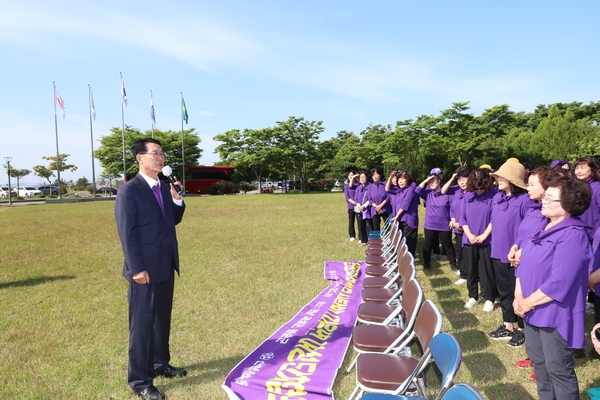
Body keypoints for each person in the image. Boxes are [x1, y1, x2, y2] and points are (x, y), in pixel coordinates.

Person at [115, 138, 187, 400]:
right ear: (140, 158)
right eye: (154, 153)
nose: (160, 158)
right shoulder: (129, 191)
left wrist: (177, 200)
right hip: (143, 270)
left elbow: (172, 221)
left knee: (161, 320)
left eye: (162, 154)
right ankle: (140, 380)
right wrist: (136, 269)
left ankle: (159, 364)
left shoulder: (163, 187)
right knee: (142, 325)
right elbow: (128, 233)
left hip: (165, 264)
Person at [514, 175, 592, 400]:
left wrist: (527, 302)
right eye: (544, 197)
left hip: (555, 314)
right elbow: (523, 261)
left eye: (550, 198)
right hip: (530, 309)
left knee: (558, 369)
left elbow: (559, 282)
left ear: (568, 205)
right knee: (539, 365)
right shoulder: (542, 225)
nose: (543, 202)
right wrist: (519, 296)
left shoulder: (573, 235)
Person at [487, 161, 533, 342]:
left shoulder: (524, 201)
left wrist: (520, 250)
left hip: (516, 256)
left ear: (512, 179)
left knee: (519, 293)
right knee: (504, 291)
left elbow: (529, 229)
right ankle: (508, 325)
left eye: (500, 176)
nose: (497, 179)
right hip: (498, 252)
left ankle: (522, 330)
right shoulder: (497, 198)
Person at [460, 168, 496, 310]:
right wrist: (469, 234)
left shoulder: (494, 195)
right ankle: (472, 296)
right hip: (469, 239)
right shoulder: (468, 196)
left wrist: (484, 235)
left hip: (487, 239)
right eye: (476, 188)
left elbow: (494, 218)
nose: (479, 190)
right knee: (471, 269)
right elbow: (462, 217)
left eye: (481, 187)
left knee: (487, 270)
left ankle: (489, 298)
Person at [415, 172, 457, 271]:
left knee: (448, 246)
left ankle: (453, 265)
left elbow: (452, 208)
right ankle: (426, 264)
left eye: (434, 181)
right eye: (430, 182)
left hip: (444, 225)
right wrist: (426, 180)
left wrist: (452, 219)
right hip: (430, 225)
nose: (431, 183)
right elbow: (417, 190)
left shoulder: (447, 194)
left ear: (439, 181)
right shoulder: (428, 194)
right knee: (427, 245)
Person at [442, 166, 471, 285]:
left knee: (468, 253)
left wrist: (463, 224)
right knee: (460, 251)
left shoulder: (473, 193)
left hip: (469, 229)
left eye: (464, 179)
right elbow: (452, 209)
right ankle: (463, 274)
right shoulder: (457, 192)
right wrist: (453, 221)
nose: (461, 182)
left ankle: (471, 275)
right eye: (459, 180)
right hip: (457, 228)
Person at [387, 169, 420, 258]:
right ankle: (401, 259)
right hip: (400, 219)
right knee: (401, 240)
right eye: (399, 179)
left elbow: (405, 204)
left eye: (403, 179)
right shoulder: (399, 190)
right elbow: (387, 189)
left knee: (409, 242)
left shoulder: (410, 190)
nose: (400, 181)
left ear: (408, 180)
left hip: (409, 220)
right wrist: (390, 177)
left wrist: (397, 215)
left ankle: (409, 261)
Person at [573, 156, 600, 235]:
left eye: (582, 167)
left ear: (593, 170)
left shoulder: (597, 188)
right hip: (577, 232)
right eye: (577, 168)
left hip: (593, 235)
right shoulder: (575, 187)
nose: (578, 171)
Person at [352, 171, 370, 246]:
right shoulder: (358, 188)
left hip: (367, 209)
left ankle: (369, 241)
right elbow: (356, 198)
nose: (362, 179)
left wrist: (364, 206)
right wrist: (359, 206)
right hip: (359, 209)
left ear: (366, 178)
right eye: (361, 177)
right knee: (360, 224)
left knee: (368, 225)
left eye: (364, 177)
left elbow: (371, 198)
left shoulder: (370, 187)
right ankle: (363, 240)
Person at [344, 171, 359, 242]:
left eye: (352, 175)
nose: (351, 176)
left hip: (359, 206)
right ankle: (352, 235)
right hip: (351, 206)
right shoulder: (347, 186)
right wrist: (355, 203)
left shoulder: (358, 184)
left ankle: (361, 236)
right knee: (351, 221)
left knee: (360, 221)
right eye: (349, 175)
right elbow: (347, 198)